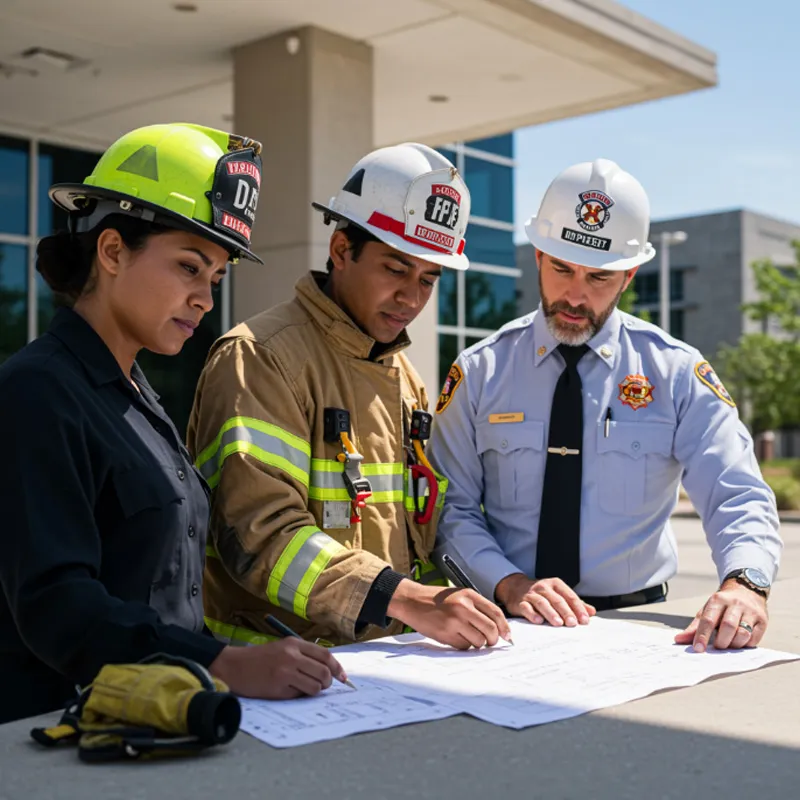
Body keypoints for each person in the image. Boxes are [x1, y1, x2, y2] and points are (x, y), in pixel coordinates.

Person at [0, 123, 345, 725]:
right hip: (63, 745)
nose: (206, 300)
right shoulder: (37, 392)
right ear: (111, 252)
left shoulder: (138, 395)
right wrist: (225, 662)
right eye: (189, 266)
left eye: (215, 278)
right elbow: (58, 606)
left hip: (166, 724)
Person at [428, 158, 782, 653]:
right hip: (507, 623)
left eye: (598, 277)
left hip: (641, 626)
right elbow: (450, 508)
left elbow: (736, 492)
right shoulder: (480, 372)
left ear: (629, 276)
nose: (575, 295)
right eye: (561, 269)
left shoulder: (675, 371)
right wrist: (508, 584)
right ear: (537, 257)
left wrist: (744, 583)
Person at [187, 143, 511, 651]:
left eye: (429, 278)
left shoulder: (405, 376)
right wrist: (405, 599)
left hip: (388, 665)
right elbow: (261, 535)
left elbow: (421, 528)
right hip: (279, 674)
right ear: (341, 251)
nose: (413, 297)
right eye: (396, 268)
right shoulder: (259, 357)